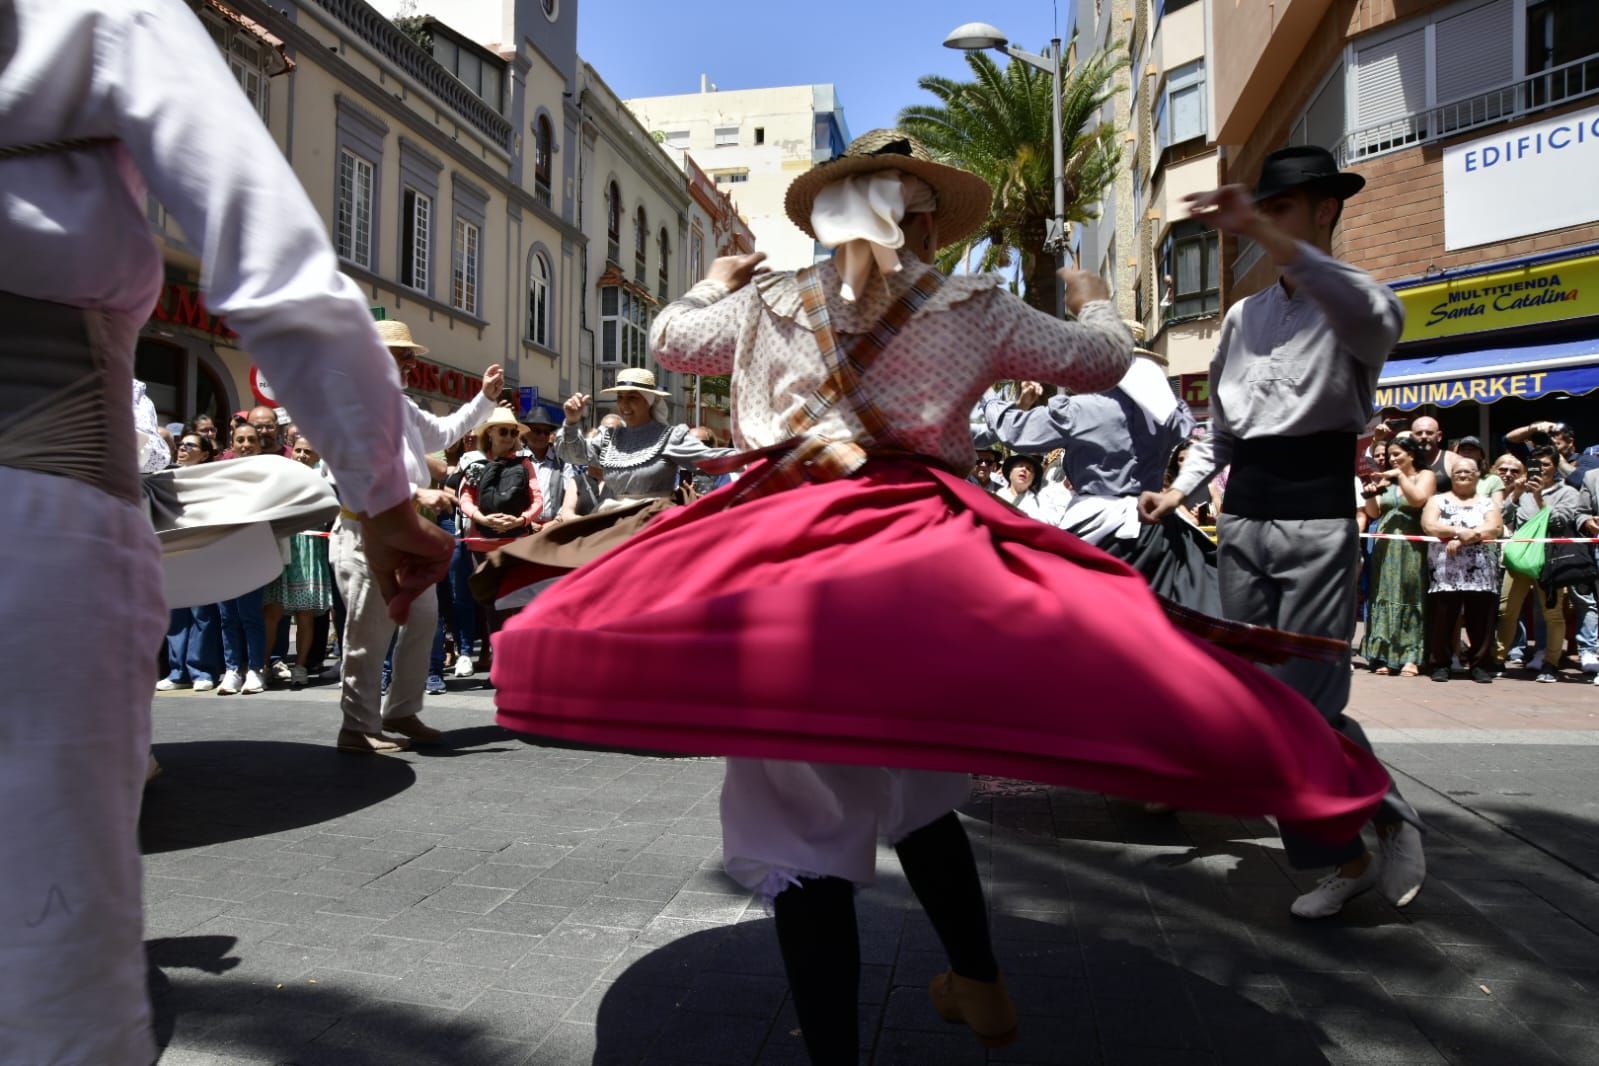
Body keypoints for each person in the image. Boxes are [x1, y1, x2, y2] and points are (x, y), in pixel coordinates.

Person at [490, 129, 1389, 1061]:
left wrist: (718, 276)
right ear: (924, 222)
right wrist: (1098, 306)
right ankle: (980, 983)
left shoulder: (766, 302)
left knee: (804, 812)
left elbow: (674, 342)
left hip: (783, 548)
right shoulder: (975, 305)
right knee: (917, 790)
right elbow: (1098, 363)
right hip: (921, 551)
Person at [0, 2, 454, 1060]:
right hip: (38, 506)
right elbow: (278, 271)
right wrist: (380, 500)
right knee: (52, 966)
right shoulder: (105, 13)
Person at [1141, 145, 1424, 920]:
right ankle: (1383, 819)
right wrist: (1175, 492)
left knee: (1302, 704)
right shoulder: (1242, 315)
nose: (1266, 224)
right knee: (1266, 699)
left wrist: (1263, 237)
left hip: (1318, 514)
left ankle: (1356, 849)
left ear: (1324, 210)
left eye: (1283, 209)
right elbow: (1219, 433)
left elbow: (1372, 319)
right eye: (1263, 211)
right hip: (1243, 518)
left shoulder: (1360, 301)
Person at [330, 319, 500, 753]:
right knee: (369, 631)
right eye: (400, 353)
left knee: (423, 620)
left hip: (406, 532)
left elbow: (443, 433)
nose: (408, 361)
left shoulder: (398, 406)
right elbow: (346, 471)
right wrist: (415, 490)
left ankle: (401, 710)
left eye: (407, 354)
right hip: (365, 529)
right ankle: (357, 726)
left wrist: (484, 399)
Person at [470, 367, 733, 613]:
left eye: (633, 397)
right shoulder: (611, 437)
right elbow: (574, 453)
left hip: (652, 528)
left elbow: (711, 461)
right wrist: (571, 422)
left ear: (649, 400)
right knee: (564, 571)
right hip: (611, 524)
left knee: (645, 600)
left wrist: (756, 452)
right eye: (621, 397)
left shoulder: (671, 436)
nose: (625, 405)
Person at [981, 347, 1215, 612]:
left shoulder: (1087, 408)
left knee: (1084, 618)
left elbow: (1014, 430)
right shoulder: (1165, 414)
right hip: (1157, 527)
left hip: (1101, 527)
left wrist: (988, 396)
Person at [1495, 446, 1581, 682]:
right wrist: (1515, 494)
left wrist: (1539, 498)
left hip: (1550, 559)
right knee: (1506, 610)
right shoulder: (1521, 490)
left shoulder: (1568, 493)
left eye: (1545, 464)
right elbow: (1503, 517)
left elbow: (1560, 522)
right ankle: (1499, 658)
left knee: (1552, 613)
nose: (1540, 469)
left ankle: (1550, 664)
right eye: (1535, 465)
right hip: (1520, 556)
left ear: (1555, 467)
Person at [262, 438, 336, 688]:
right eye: (299, 450)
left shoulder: (322, 481)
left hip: (309, 550)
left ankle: (301, 666)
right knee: (272, 611)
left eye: (309, 452)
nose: (302, 455)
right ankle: (264, 665)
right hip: (282, 548)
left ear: (317, 457)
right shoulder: (280, 476)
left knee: (305, 613)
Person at [1421, 459, 1502, 683]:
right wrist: (1459, 531)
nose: (1463, 475)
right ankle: (1441, 664)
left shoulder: (1487, 503)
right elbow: (1429, 525)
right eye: (1458, 472)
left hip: (1480, 571)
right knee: (1443, 619)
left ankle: (1479, 665)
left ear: (1477, 475)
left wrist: (1466, 538)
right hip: (1445, 570)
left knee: (1481, 619)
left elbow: (1494, 528)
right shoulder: (1438, 500)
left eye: (1468, 471)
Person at [1360, 434, 1435, 677]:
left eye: (1397, 455)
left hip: (1412, 547)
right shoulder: (1388, 480)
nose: (1391, 459)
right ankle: (1383, 653)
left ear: (1411, 455)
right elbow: (1374, 512)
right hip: (1385, 547)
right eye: (1390, 455)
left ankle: (1410, 656)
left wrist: (1400, 476)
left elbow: (1418, 500)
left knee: (1411, 594)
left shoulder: (1425, 475)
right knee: (1383, 594)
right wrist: (1370, 493)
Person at [994, 453, 1055, 522]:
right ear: (1010, 472)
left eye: (1029, 468)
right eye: (1020, 466)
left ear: (1033, 478)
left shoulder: (1041, 501)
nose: (1024, 469)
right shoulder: (996, 496)